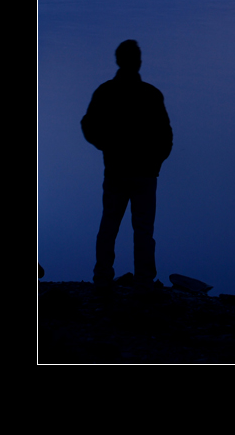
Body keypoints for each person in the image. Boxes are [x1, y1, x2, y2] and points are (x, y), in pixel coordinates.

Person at [81, 40, 173, 291]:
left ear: (118, 61)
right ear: (139, 62)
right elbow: (166, 135)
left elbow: (88, 125)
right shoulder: (151, 94)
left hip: (117, 170)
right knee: (142, 229)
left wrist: (107, 146)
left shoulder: (106, 91)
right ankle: (143, 280)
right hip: (144, 173)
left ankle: (102, 278)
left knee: (109, 224)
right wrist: (156, 162)